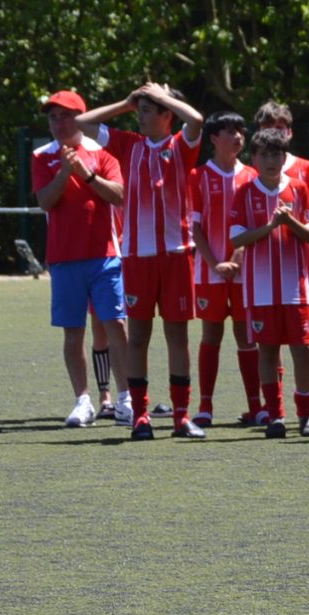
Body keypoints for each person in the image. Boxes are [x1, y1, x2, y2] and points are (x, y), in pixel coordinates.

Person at [78, 83, 203, 439]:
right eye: (141, 110)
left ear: (167, 115)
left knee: (177, 337)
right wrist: (127, 103)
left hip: (177, 255)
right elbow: (84, 123)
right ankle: (141, 416)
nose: (141, 116)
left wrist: (164, 97)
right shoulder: (128, 144)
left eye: (148, 110)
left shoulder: (181, 146)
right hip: (137, 258)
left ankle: (181, 416)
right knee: (139, 338)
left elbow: (196, 120)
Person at [30, 89, 125, 428]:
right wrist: (64, 173)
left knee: (115, 325)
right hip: (63, 258)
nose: (58, 123)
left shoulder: (103, 153)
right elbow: (45, 201)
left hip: (104, 256)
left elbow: (118, 195)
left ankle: (126, 398)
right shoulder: (42, 156)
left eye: (65, 116)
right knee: (73, 332)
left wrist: (86, 173)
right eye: (53, 117)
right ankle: (83, 400)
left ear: (80, 117)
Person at [227, 127, 309, 438]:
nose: (270, 159)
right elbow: (237, 237)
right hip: (261, 290)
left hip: (296, 289)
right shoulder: (244, 192)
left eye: (276, 154)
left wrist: (289, 221)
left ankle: (307, 415)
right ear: (253, 157)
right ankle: (275, 415)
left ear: (285, 157)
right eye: (264, 154)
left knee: (303, 350)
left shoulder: (298, 189)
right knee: (267, 351)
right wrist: (269, 226)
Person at [185, 112, 255, 430]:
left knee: (247, 337)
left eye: (241, 131)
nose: (238, 136)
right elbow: (195, 228)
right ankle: (205, 407)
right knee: (211, 336)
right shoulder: (197, 176)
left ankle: (257, 406)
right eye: (230, 131)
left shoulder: (252, 176)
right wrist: (215, 264)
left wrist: (237, 259)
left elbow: (253, 226)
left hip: (245, 272)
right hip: (209, 272)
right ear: (214, 138)